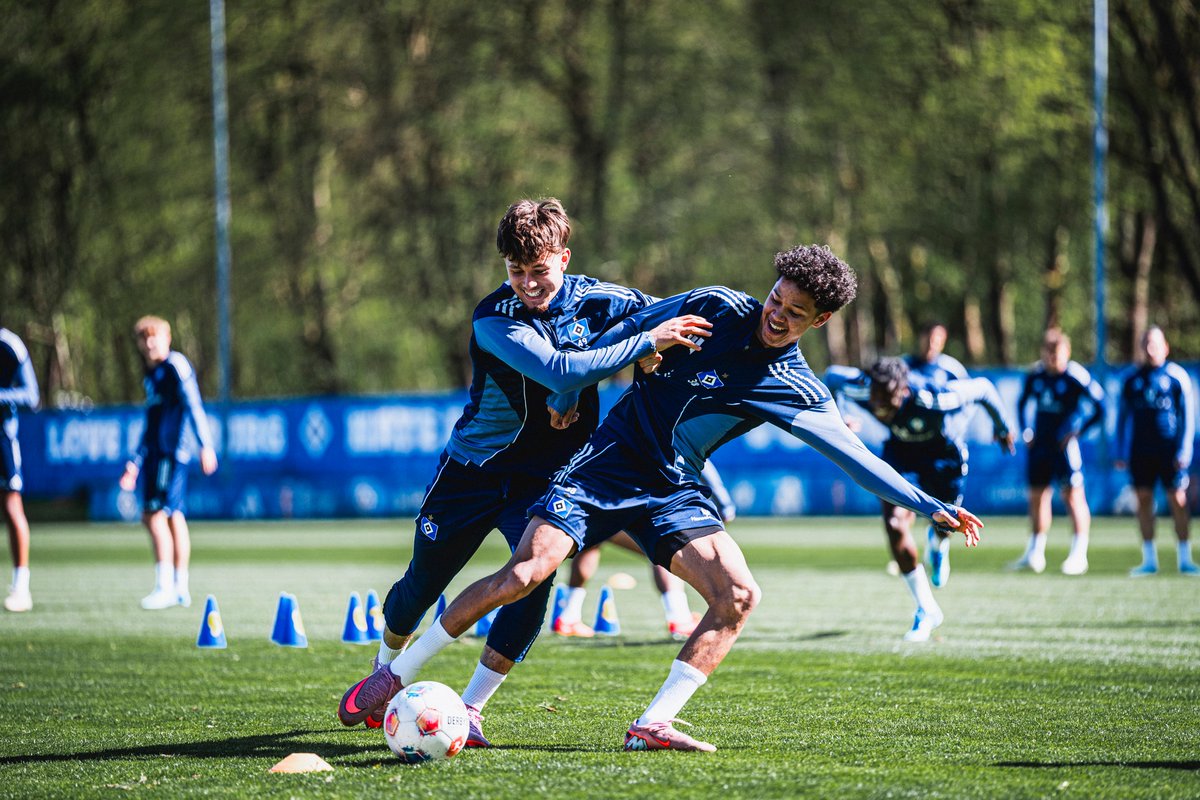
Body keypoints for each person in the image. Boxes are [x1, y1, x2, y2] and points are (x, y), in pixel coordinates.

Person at [337, 244, 983, 752]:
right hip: (603, 467)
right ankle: (399, 673)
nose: (775, 314)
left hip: (673, 490)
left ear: (822, 322)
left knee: (738, 596)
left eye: (793, 313)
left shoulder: (796, 388)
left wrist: (928, 504)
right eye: (775, 298)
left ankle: (652, 723)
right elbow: (618, 337)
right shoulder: (717, 306)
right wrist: (566, 394)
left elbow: (857, 459)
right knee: (529, 572)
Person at [358, 198, 710, 745]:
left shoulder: (605, 301)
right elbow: (558, 368)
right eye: (515, 271)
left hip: (547, 477)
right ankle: (384, 668)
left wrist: (651, 351)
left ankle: (471, 710)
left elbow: (670, 314)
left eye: (539, 270)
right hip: (472, 472)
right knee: (419, 588)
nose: (527, 283)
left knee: (530, 581)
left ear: (564, 258)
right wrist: (635, 350)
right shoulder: (492, 318)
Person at [825, 358, 1014, 640]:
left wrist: (1002, 426)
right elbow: (831, 376)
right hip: (901, 453)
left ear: (903, 392)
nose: (879, 409)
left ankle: (938, 545)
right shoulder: (864, 388)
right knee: (894, 524)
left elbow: (984, 389)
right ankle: (926, 608)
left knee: (945, 524)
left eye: (886, 403)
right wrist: (838, 416)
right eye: (875, 401)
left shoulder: (935, 396)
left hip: (943, 455)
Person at [553, 461, 736, 640]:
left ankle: (569, 617)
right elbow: (702, 461)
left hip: (595, 498)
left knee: (592, 546)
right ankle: (679, 618)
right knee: (665, 547)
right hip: (628, 500)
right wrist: (724, 502)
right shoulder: (661, 431)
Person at [119, 316, 218, 610]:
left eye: (155, 337)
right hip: (156, 453)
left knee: (154, 515)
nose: (150, 343)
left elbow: (193, 404)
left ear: (167, 338)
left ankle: (167, 587)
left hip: (171, 453)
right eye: (144, 338)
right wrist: (135, 462)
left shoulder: (175, 366)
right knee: (173, 515)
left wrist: (206, 444)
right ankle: (179, 588)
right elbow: (151, 422)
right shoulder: (152, 374)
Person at [1010, 328, 1106, 575]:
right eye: (1048, 352)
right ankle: (1035, 553)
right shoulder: (1035, 375)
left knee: (1073, 497)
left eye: (1057, 352)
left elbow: (1100, 406)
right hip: (1040, 445)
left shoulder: (1075, 375)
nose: (1052, 358)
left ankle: (1078, 554)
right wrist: (1025, 430)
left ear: (1067, 352)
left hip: (1064, 448)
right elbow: (1022, 403)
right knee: (1037, 496)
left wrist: (1078, 431)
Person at [1115, 327, 1197, 576]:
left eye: (1155, 344)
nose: (1150, 349)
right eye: (1146, 344)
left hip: (1169, 452)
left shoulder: (1176, 377)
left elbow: (1188, 417)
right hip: (1141, 451)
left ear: (1165, 347)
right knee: (1143, 501)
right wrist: (1121, 450)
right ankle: (1149, 559)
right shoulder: (1131, 379)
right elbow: (1122, 418)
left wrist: (1184, 450)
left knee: (1178, 501)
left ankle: (1185, 558)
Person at [1, 325, 40, 613]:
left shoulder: (9, 345)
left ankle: (21, 587)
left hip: (2, 437)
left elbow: (32, 395)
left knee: (12, 507)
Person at [905, 321, 968, 387]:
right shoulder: (904, 364)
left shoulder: (953, 368)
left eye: (935, 342)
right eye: (927, 341)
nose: (930, 345)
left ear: (943, 342)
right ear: (920, 339)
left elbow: (967, 391)